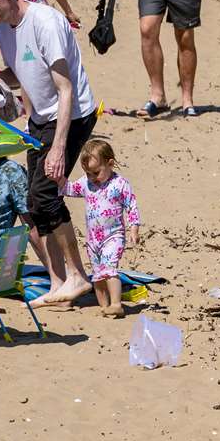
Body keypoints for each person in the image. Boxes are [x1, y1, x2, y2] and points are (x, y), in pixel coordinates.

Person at [0, 0, 98, 308]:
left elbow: (66, 88)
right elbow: (24, 73)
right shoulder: (2, 32)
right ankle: (59, 282)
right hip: (41, 119)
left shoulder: (46, 22)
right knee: (33, 203)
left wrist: (58, 148)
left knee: (45, 194)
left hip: (72, 115)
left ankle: (78, 276)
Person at [61, 137, 140, 319]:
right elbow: (70, 189)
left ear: (110, 163)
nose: (92, 178)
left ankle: (116, 304)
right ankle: (104, 306)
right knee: (97, 274)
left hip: (113, 236)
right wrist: (57, 180)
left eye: (96, 172)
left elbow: (131, 206)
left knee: (109, 268)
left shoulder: (120, 184)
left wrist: (134, 229)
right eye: (88, 173)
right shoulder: (87, 183)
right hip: (93, 239)